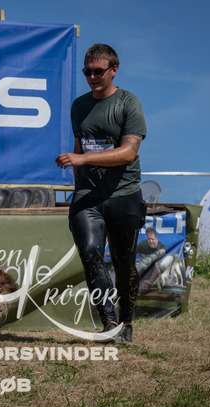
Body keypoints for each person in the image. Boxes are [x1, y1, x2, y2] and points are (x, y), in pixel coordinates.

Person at [56, 44, 147, 343]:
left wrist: (82, 159)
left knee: (124, 264)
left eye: (98, 71)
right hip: (88, 196)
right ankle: (110, 323)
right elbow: (80, 145)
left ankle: (127, 322)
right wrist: (79, 179)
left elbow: (128, 153)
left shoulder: (129, 103)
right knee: (90, 253)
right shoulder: (79, 106)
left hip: (124, 195)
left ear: (113, 70)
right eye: (87, 72)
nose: (92, 77)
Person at [136, 227, 167, 291]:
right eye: (149, 239)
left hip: (155, 273)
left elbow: (160, 267)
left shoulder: (162, 248)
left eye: (152, 239)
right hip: (143, 270)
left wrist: (150, 280)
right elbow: (131, 252)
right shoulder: (142, 244)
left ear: (156, 238)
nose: (150, 241)